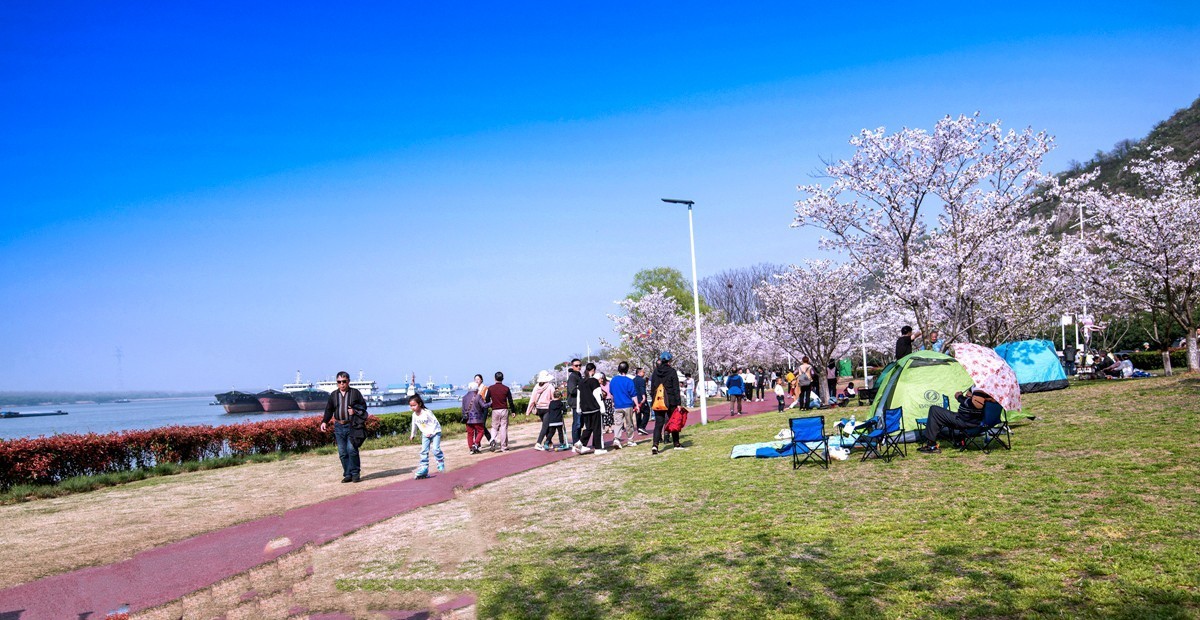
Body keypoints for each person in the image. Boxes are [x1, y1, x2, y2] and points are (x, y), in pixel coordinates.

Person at [321, 370, 367, 483]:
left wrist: (355, 411)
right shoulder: (333, 395)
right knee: (342, 452)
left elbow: (363, 406)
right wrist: (324, 422)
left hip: (352, 425)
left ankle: (355, 473)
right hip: (338, 426)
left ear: (348, 381)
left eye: (344, 381)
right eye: (339, 382)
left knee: (351, 449)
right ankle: (348, 474)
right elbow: (329, 409)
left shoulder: (355, 393)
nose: (341, 384)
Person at [917, 387, 991, 453]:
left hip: (965, 421)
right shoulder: (983, 388)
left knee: (934, 410)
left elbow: (977, 405)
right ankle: (957, 440)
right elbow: (973, 401)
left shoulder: (980, 389)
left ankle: (932, 445)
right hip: (967, 419)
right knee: (939, 415)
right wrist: (968, 395)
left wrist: (959, 397)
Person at [650, 351, 683, 454]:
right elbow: (676, 388)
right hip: (671, 400)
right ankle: (676, 443)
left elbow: (652, 387)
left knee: (658, 423)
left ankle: (655, 445)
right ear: (669, 360)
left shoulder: (655, 372)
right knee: (673, 421)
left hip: (659, 400)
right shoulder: (672, 371)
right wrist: (678, 402)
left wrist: (654, 398)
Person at [574, 362, 607, 454]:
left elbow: (578, 397)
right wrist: (602, 408)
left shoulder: (581, 382)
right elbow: (598, 396)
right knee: (597, 428)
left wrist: (578, 409)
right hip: (594, 408)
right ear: (593, 370)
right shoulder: (594, 381)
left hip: (585, 409)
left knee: (589, 427)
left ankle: (580, 442)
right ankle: (598, 448)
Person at [408, 394, 444, 478]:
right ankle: (424, 468)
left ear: (419, 404)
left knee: (435, 449)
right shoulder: (414, 415)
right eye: (411, 406)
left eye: (414, 405)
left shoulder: (427, 412)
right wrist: (413, 434)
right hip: (425, 434)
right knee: (424, 451)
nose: (412, 407)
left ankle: (440, 462)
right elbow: (414, 425)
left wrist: (431, 432)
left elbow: (435, 422)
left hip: (435, 432)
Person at [608, 361, 639, 448]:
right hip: (628, 405)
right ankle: (630, 440)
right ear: (627, 369)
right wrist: (637, 405)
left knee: (618, 423)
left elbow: (611, 393)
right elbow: (633, 394)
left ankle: (616, 439)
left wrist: (613, 402)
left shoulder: (613, 380)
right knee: (629, 423)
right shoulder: (629, 381)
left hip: (617, 405)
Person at [485, 371, 516, 452]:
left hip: (495, 410)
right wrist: (513, 411)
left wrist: (491, 406)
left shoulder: (491, 388)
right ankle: (503, 446)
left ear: (494, 378)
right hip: (504, 409)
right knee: (503, 428)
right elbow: (510, 401)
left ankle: (493, 440)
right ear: (502, 379)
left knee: (494, 427)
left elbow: (487, 399)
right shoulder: (506, 388)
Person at [528, 371, 558, 451]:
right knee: (545, 427)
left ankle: (549, 442)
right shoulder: (550, 386)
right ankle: (538, 443)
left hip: (539, 409)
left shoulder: (536, 387)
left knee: (546, 426)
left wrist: (528, 411)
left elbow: (532, 399)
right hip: (547, 409)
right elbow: (554, 398)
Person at [461, 379, 489, 453]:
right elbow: (484, 405)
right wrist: (491, 403)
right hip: (477, 419)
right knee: (481, 431)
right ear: (476, 389)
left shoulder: (464, 397)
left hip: (467, 419)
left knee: (470, 434)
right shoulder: (478, 396)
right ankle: (476, 444)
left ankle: (471, 448)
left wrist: (464, 416)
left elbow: (463, 409)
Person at [566, 359, 583, 445]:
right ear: (572, 366)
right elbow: (572, 390)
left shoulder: (579, 375)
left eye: (580, 365)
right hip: (575, 403)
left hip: (580, 403)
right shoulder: (572, 377)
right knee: (577, 423)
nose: (579, 367)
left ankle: (578, 441)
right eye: (576, 365)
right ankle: (575, 442)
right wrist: (583, 389)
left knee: (580, 423)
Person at [633, 367, 650, 435]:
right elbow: (642, 389)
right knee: (647, 412)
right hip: (641, 399)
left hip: (635, 399)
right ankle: (642, 427)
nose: (644, 373)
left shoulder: (633, 380)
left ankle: (639, 428)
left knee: (638, 414)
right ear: (639, 372)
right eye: (643, 372)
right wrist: (643, 397)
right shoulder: (641, 380)